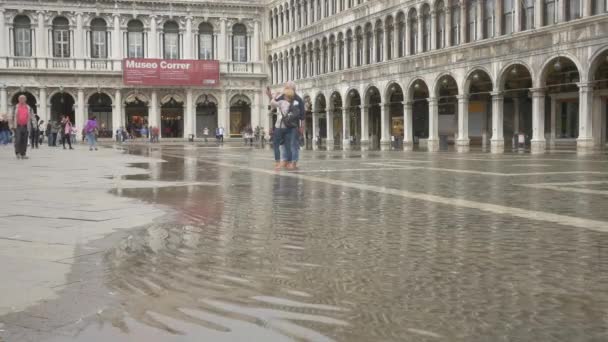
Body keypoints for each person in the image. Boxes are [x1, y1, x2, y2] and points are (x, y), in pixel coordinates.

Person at [272, 81, 305, 168]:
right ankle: (285, 160)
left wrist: (302, 126)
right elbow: (274, 103)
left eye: (287, 88)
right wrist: (273, 96)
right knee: (284, 143)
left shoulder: (298, 99)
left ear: (293, 89)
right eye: (285, 88)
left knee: (293, 143)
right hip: (284, 125)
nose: (285, 89)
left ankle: (293, 161)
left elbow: (302, 115)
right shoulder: (283, 96)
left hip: (294, 125)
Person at [269, 87, 298, 170]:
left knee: (276, 145)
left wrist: (276, 95)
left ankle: (278, 163)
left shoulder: (281, 102)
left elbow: (272, 103)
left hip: (280, 126)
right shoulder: (294, 104)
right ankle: (289, 163)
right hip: (289, 127)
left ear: (285, 96)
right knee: (288, 145)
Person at [12, 95, 35, 159]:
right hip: (17, 126)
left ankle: (23, 154)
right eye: (20, 98)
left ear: (25, 99)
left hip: (26, 126)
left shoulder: (28, 107)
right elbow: (12, 116)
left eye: (23, 98)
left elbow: (32, 116)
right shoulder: (15, 107)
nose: (22, 100)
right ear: (18, 99)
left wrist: (34, 124)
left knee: (24, 140)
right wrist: (11, 125)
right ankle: (17, 153)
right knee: (18, 140)